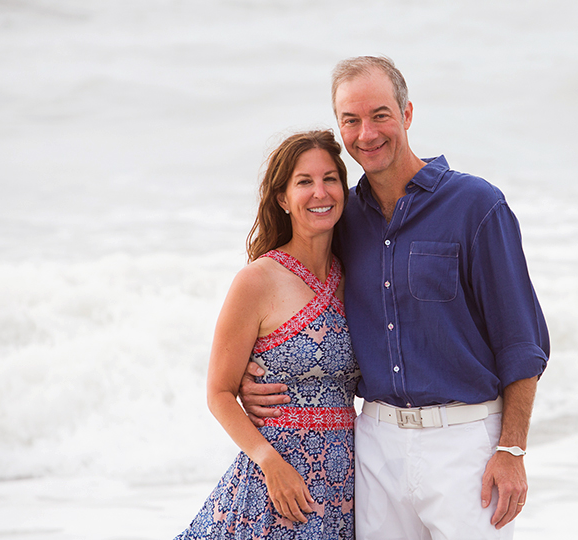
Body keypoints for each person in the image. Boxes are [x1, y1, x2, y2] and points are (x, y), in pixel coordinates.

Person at [240, 56, 550, 540]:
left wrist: (512, 450)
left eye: (380, 115)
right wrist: (249, 373)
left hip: (465, 442)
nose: (367, 133)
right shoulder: (342, 218)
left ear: (406, 114)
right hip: (376, 444)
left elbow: (522, 342)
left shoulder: (476, 205)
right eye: (352, 120)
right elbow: (298, 296)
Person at [174, 130, 360, 539]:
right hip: (276, 482)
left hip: (343, 482)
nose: (320, 192)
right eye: (304, 182)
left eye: (330, 178)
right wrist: (269, 462)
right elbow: (219, 392)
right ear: (282, 198)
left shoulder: (354, 276)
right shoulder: (257, 280)